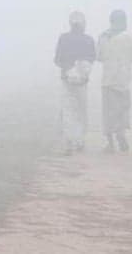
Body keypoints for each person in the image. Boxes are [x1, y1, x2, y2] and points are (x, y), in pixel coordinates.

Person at [54, 11, 96, 155]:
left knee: (68, 111)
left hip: (66, 80)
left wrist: (68, 68)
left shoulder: (63, 39)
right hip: (82, 82)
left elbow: (57, 60)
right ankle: (80, 140)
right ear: (83, 24)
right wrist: (82, 70)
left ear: (71, 24)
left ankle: (68, 141)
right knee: (81, 111)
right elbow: (92, 59)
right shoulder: (89, 40)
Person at [96, 9, 132, 153]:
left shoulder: (103, 37)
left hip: (108, 80)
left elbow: (99, 57)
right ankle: (121, 133)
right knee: (122, 110)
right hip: (124, 80)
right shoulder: (130, 38)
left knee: (108, 113)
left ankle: (110, 143)